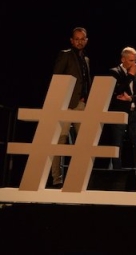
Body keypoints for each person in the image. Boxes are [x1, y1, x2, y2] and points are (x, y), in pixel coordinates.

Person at [50, 27, 92, 188]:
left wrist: (86, 98)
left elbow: (86, 81)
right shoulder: (65, 54)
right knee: (61, 141)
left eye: (82, 39)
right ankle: (57, 179)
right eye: (77, 38)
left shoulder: (86, 59)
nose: (79, 41)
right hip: (66, 104)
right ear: (71, 40)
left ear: (86, 40)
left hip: (82, 104)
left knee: (83, 142)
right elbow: (57, 78)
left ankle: (78, 178)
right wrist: (58, 102)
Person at [104, 47, 136, 172]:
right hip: (119, 113)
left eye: (135, 61)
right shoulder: (114, 72)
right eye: (131, 61)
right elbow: (117, 91)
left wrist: (131, 98)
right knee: (117, 144)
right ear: (123, 59)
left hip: (134, 114)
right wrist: (130, 75)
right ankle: (117, 174)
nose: (134, 64)